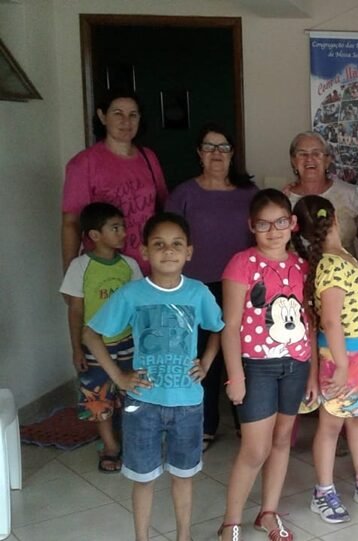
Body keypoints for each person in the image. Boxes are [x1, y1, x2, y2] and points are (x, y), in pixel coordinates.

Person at [82, 212, 224, 541]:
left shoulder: (198, 292)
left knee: (183, 476)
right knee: (143, 478)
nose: (168, 251)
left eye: (177, 245)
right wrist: (118, 377)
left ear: (189, 251)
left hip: (188, 403)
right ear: (144, 251)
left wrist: (206, 362)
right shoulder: (133, 294)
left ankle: (183, 535)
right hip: (142, 405)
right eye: (159, 244)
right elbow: (91, 334)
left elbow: (217, 328)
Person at [218, 189, 315, 541]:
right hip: (255, 367)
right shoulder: (241, 263)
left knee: (282, 441)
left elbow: (310, 323)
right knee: (255, 448)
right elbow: (229, 326)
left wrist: (314, 374)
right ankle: (230, 522)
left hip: (296, 364)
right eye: (263, 224)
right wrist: (235, 376)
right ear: (251, 226)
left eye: (279, 222)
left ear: (292, 224)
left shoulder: (302, 266)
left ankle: (268, 513)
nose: (273, 231)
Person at [294, 195, 358, 523]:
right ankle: (323, 490)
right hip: (342, 359)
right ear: (335, 219)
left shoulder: (344, 257)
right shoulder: (329, 264)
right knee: (331, 425)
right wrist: (339, 365)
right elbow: (331, 321)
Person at [166, 123, 258, 451]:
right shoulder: (184, 193)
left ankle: (245, 422)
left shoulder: (249, 194)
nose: (217, 154)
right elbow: (170, 240)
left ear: (233, 154)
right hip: (196, 287)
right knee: (204, 356)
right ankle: (204, 424)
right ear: (199, 154)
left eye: (223, 147)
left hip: (243, 285)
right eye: (209, 147)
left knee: (245, 356)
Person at [60, 202, 142, 473]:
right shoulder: (80, 266)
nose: (122, 232)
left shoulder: (129, 265)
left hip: (127, 343)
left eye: (123, 226)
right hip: (95, 346)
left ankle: (132, 442)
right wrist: (76, 349)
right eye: (115, 227)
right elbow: (75, 310)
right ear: (95, 235)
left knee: (131, 394)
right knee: (99, 397)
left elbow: (140, 308)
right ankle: (110, 446)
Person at [62, 89, 168, 273]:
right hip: (105, 268)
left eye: (133, 115)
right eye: (117, 113)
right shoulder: (83, 163)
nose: (126, 121)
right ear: (102, 116)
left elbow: (164, 206)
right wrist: (71, 274)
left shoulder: (148, 157)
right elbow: (72, 223)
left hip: (148, 267)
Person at [283, 132, 358, 256]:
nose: (309, 159)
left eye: (316, 153)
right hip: (296, 273)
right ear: (293, 161)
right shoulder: (283, 200)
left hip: (343, 273)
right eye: (302, 154)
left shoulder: (350, 194)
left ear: (327, 160)